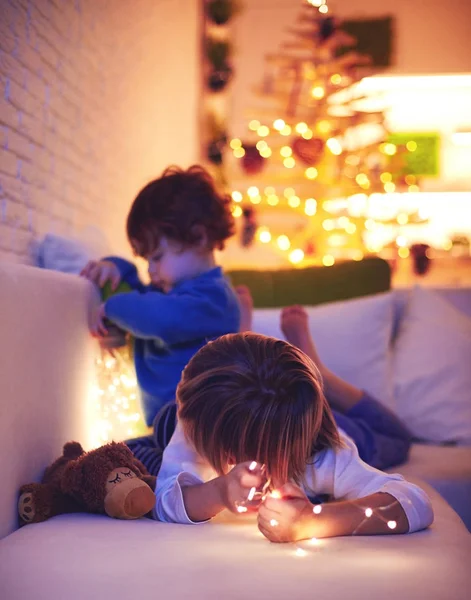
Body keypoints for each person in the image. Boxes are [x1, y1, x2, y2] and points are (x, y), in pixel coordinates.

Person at [154, 333, 433, 541]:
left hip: (345, 429)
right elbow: (164, 501)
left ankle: (325, 377)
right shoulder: (200, 416)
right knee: (160, 427)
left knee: (397, 438)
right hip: (286, 412)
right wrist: (219, 491)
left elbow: (416, 503)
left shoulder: (325, 458)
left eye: (233, 452)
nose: (226, 460)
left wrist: (311, 521)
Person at [80, 165, 241, 466]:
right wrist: (115, 267)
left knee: (125, 458)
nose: (150, 270)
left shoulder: (215, 298)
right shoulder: (170, 292)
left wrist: (112, 306)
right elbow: (142, 293)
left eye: (156, 258)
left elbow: (162, 320)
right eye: (145, 260)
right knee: (119, 455)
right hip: (170, 425)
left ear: (199, 238)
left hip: (206, 422)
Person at [154, 287, 411, 474]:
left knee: (398, 440)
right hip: (290, 408)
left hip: (316, 423)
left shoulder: (328, 457)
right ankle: (309, 374)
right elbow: (130, 454)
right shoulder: (179, 431)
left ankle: (318, 376)